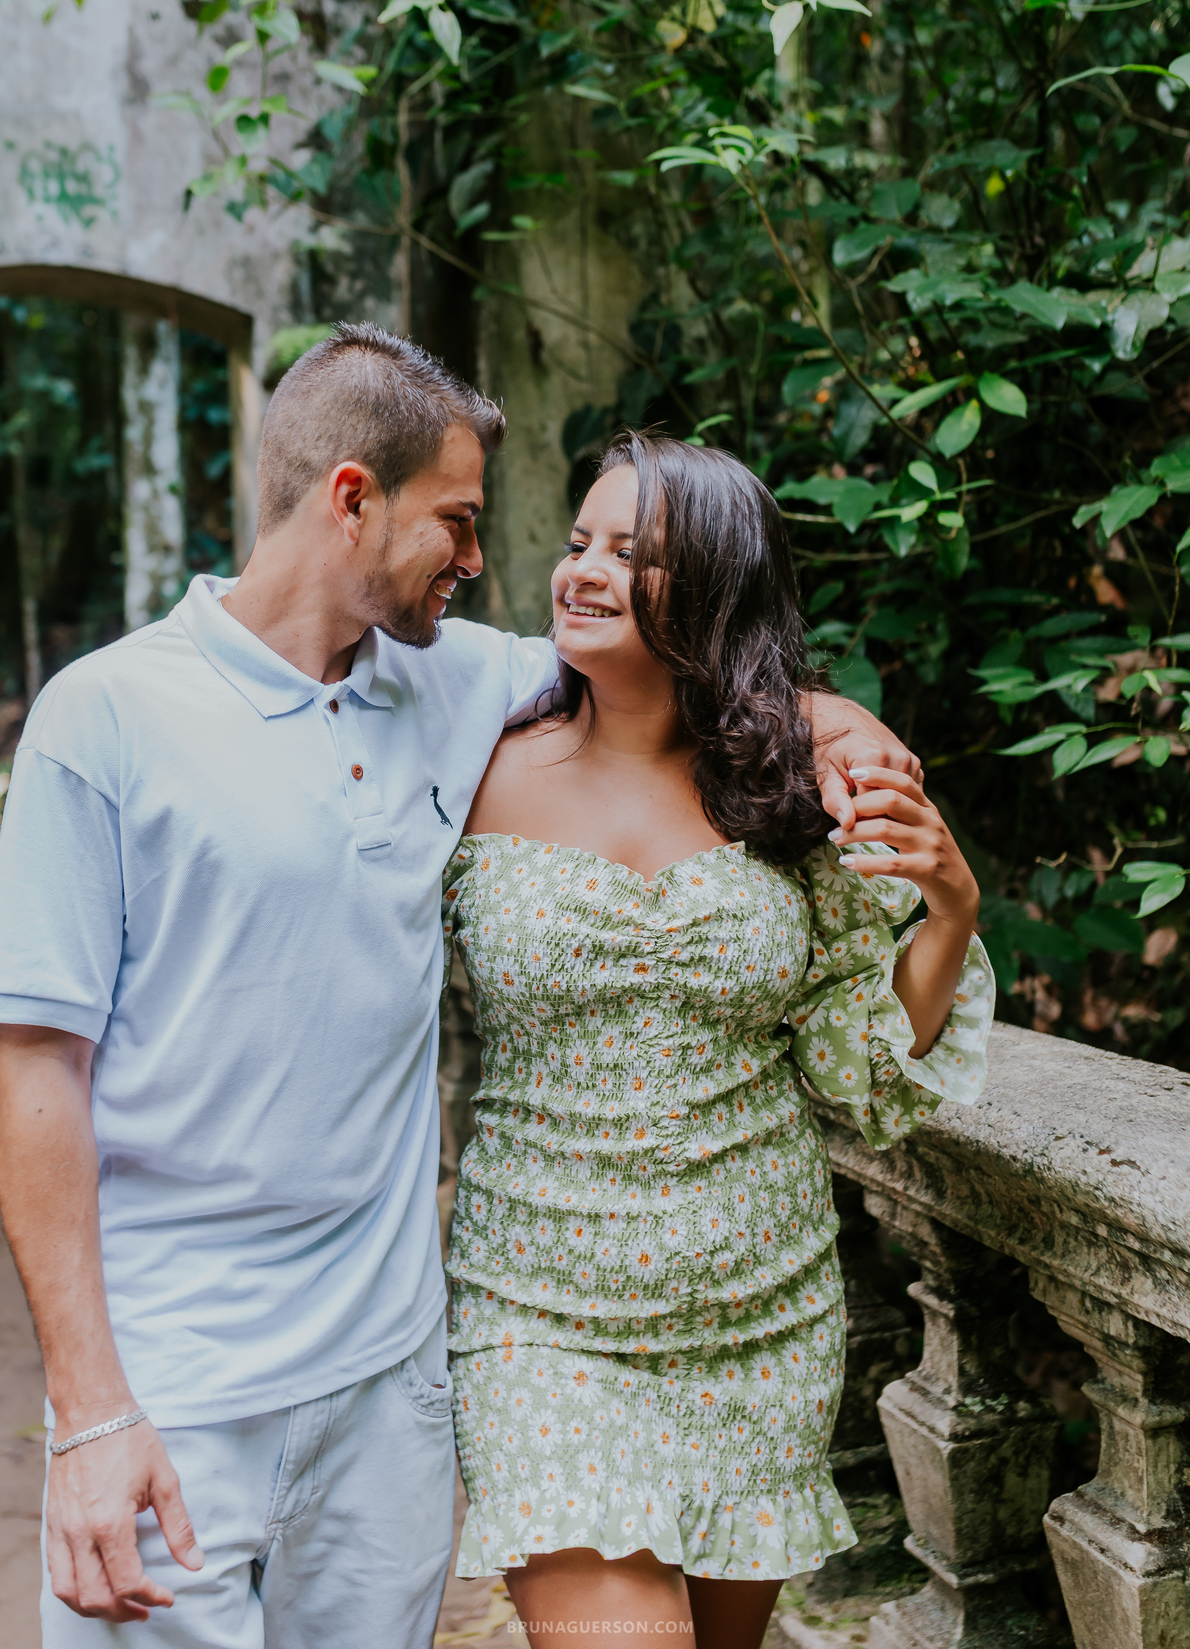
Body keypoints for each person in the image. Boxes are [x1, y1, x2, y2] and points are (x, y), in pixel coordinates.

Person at [0, 327, 919, 1649]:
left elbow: (701, 673)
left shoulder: (455, 680)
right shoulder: (106, 717)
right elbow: (35, 1071)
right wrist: (89, 1412)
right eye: (459, 519)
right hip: (178, 1378)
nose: (486, 562)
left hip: (389, 1381)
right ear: (352, 499)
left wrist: (851, 738)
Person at [441, 434, 994, 1648]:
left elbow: (859, 1065)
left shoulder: (792, 789)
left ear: (714, 589)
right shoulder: (470, 762)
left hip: (761, 1316)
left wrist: (948, 907)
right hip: (542, 1313)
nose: (582, 570)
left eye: (632, 554)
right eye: (581, 542)